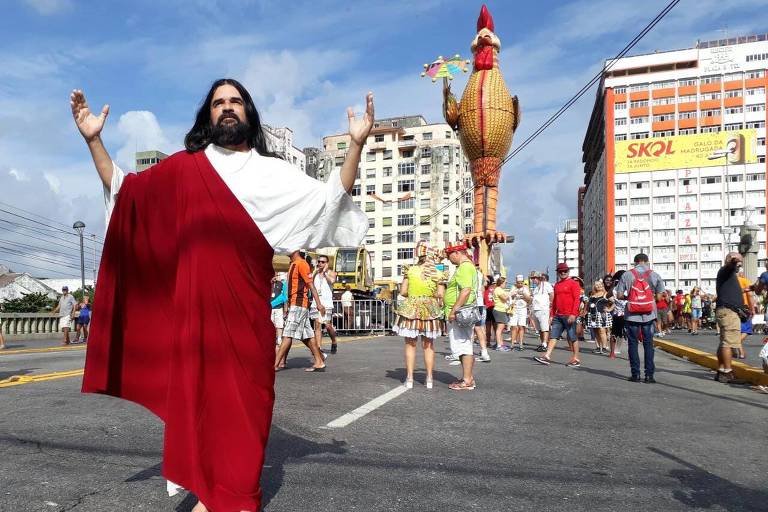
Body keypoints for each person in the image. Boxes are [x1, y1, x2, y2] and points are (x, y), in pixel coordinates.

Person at [73, 79, 372, 512]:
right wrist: (95, 140)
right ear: (208, 115)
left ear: (248, 112)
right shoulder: (185, 169)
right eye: (218, 103)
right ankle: (220, 499)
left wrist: (357, 146)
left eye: (235, 101)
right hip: (196, 328)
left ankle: (225, 497)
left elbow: (330, 200)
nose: (227, 108)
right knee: (202, 416)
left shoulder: (275, 174)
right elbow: (126, 193)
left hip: (248, 324)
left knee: (247, 417)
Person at [392, 242, 446, 389]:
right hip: (430, 309)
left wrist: (415, 294)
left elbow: (403, 292)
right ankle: (429, 378)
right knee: (428, 345)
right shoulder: (438, 272)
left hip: (411, 308)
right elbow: (440, 294)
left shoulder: (410, 270)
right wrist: (429, 295)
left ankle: (409, 379)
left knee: (410, 344)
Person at [615, 253, 665, 383]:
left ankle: (635, 374)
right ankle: (649, 375)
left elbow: (619, 295)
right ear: (647, 261)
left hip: (632, 315)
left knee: (633, 344)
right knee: (648, 344)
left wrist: (630, 298)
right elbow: (659, 298)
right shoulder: (654, 275)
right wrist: (648, 299)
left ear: (635, 262)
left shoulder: (627, 274)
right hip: (649, 314)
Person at [276, 250, 328, 372]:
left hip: (298, 304)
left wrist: (319, 304)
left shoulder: (302, 264)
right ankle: (319, 361)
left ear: (295, 250)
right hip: (296, 304)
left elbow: (311, 286)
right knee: (307, 336)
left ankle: (276, 364)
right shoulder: (293, 263)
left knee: (287, 334)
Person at [443, 243, 477, 390]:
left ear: (457, 253)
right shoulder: (466, 267)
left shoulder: (464, 267)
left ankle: (467, 380)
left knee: (463, 346)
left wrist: (453, 310)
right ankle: (467, 377)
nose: (449, 259)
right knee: (464, 345)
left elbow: (466, 290)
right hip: (462, 311)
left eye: (449, 256)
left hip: (460, 312)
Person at [534, 263, 581, 367]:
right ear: (558, 273)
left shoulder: (574, 284)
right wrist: (551, 315)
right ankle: (547, 356)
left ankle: (576, 358)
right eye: (560, 271)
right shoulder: (557, 285)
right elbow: (555, 302)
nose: (563, 273)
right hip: (558, 315)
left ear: (568, 271)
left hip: (569, 315)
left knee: (572, 337)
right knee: (553, 336)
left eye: (565, 271)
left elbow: (577, 300)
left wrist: (573, 314)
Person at [714, 253, 747, 383]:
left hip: (725, 311)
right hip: (729, 312)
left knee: (724, 342)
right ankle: (728, 372)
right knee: (728, 343)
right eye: (739, 262)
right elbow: (730, 265)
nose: (740, 265)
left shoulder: (728, 276)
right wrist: (734, 261)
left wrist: (750, 288)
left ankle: (721, 370)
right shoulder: (726, 270)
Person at [311, 255, 339, 354]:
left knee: (327, 325)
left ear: (327, 263)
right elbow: (310, 282)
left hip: (327, 302)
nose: (320, 263)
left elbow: (332, 281)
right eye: (319, 261)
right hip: (316, 302)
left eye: (323, 262)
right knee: (318, 325)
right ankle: (318, 347)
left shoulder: (331, 273)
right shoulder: (315, 272)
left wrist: (324, 272)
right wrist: (316, 272)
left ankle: (334, 341)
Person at [587, 280, 613, 355]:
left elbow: (614, 302)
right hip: (592, 315)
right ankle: (598, 347)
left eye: (600, 285)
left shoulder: (605, 294)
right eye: (597, 285)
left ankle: (604, 348)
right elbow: (588, 304)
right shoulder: (592, 294)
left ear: (602, 286)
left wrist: (609, 309)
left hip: (602, 315)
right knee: (595, 331)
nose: (599, 286)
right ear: (594, 286)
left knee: (602, 331)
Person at [531, 272, 554, 352]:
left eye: (534, 278)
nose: (533, 280)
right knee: (540, 329)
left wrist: (550, 304)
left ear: (538, 278)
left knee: (544, 328)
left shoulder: (546, 284)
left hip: (543, 309)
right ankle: (542, 344)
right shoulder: (536, 288)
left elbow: (552, 294)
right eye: (532, 278)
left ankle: (545, 344)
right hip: (536, 309)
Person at [508, 274, 531, 351]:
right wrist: (512, 294)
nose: (520, 284)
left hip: (523, 309)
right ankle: (512, 343)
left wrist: (523, 295)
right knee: (514, 326)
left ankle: (521, 343)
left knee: (521, 326)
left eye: (521, 283)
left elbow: (529, 299)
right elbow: (509, 297)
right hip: (514, 308)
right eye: (519, 283)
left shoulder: (526, 288)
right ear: (516, 282)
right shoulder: (513, 288)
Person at [609, 270, 627, 358]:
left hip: (617, 314)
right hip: (629, 314)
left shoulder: (614, 289)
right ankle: (631, 354)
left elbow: (607, 296)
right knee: (630, 334)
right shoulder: (628, 287)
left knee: (614, 333)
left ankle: (612, 353)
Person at [737, 271, 754, 359]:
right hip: (745, 308)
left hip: (734, 307)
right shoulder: (745, 281)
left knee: (738, 330)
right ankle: (740, 351)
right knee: (747, 330)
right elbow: (750, 295)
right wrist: (753, 309)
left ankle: (737, 351)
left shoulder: (733, 281)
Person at [492, 277, 511, 352]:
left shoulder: (499, 289)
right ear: (501, 283)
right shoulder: (498, 289)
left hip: (500, 309)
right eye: (505, 283)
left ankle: (500, 343)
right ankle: (499, 345)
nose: (506, 284)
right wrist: (510, 294)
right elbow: (504, 298)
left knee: (500, 328)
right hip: (499, 310)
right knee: (499, 329)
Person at [270, 274, 287, 345]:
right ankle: (272, 338)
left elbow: (285, 297)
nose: (275, 277)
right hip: (269, 308)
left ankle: (279, 338)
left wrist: (285, 310)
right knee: (271, 324)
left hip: (279, 307)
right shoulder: (267, 283)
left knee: (279, 324)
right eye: (273, 275)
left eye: (276, 275)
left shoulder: (281, 284)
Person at [483, 276, 497, 349]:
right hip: (494, 307)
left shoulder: (485, 288)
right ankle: (497, 342)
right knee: (495, 327)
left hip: (487, 308)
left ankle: (488, 342)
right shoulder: (495, 288)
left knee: (488, 326)